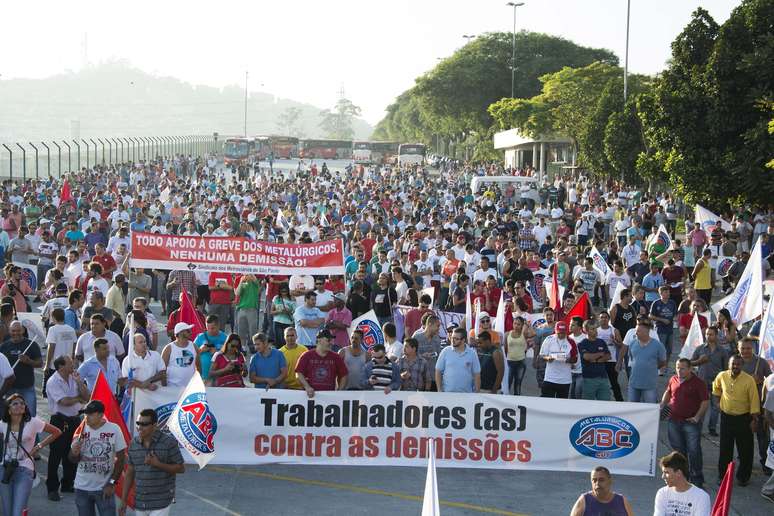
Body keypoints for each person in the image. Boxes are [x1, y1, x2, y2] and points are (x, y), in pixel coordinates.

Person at [0, 393, 62, 515]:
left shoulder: (33, 422)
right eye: (15, 403)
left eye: (22, 403)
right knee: (7, 512)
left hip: (25, 469)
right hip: (5, 468)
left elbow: (57, 432)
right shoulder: (3, 424)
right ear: (9, 409)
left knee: (17, 513)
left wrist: (37, 447)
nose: (20, 405)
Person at [120, 408, 185, 516]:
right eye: (138, 423)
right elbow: (130, 473)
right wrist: (123, 500)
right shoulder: (133, 444)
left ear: (155, 425)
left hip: (161, 502)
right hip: (140, 502)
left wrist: (157, 464)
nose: (140, 427)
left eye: (144, 424)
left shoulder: (168, 443)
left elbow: (181, 468)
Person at [69, 400, 127, 516]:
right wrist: (74, 453)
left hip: (104, 489)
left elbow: (121, 460)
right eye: (85, 414)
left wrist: (111, 483)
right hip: (81, 488)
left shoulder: (114, 429)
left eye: (90, 414)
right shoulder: (81, 430)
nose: (86, 417)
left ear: (100, 415)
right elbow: (72, 459)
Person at [45, 355, 90, 501]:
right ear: (61, 367)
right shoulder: (53, 381)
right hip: (59, 420)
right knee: (56, 455)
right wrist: (78, 399)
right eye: (70, 363)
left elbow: (87, 397)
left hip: (75, 419)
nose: (74, 365)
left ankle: (68, 483)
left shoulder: (74, 377)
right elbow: (64, 401)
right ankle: (52, 488)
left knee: (72, 452)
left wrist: (79, 383)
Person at [660, 358, 709, 488]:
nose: (679, 370)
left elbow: (705, 402)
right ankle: (682, 479)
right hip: (674, 421)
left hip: (690, 422)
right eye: (677, 367)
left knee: (694, 452)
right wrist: (662, 404)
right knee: (678, 452)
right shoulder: (673, 379)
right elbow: (668, 392)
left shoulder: (699, 383)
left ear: (690, 369)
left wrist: (697, 417)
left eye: (682, 368)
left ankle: (697, 479)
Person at [713, 354, 760, 486]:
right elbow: (716, 388)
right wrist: (718, 403)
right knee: (725, 450)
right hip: (726, 418)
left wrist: (754, 419)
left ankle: (743, 477)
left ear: (742, 365)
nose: (735, 366)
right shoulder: (722, 376)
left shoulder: (749, 380)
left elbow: (754, 400)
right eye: (733, 364)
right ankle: (723, 476)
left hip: (744, 419)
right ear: (729, 364)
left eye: (738, 364)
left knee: (745, 450)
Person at [737, 336, 773, 474]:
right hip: (741, 405)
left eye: (748, 348)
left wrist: (761, 380)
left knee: (762, 438)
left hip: (758, 405)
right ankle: (744, 461)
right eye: (743, 348)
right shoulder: (736, 362)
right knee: (743, 437)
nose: (745, 351)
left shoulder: (761, 363)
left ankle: (765, 462)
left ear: (752, 348)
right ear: (738, 349)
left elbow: (770, 381)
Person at [690, 325, 729, 436]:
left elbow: (726, 368)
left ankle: (712, 428)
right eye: (707, 334)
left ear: (716, 335)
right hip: (702, 381)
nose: (708, 336)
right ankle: (698, 427)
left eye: (711, 334)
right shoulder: (700, 348)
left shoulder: (722, 351)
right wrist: (699, 361)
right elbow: (690, 363)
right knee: (701, 406)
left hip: (716, 382)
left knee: (715, 407)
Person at [0, 321, 43, 416]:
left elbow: (40, 363)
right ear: (9, 331)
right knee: (8, 416)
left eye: (18, 330)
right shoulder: (4, 346)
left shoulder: (32, 345)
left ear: (23, 330)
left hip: (27, 387)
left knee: (30, 415)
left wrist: (29, 361)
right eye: (13, 331)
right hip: (9, 388)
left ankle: (31, 431)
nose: (16, 333)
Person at [622, 318, 666, 403]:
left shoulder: (658, 345)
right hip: (633, 383)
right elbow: (632, 359)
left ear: (646, 332)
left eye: (638, 331)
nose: (635, 333)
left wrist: (651, 367)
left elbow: (663, 362)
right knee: (632, 407)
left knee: (649, 408)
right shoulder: (633, 343)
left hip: (649, 384)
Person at [653, 451, 711, 516]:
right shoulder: (662, 493)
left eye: (666, 472)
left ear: (678, 473)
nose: (663, 476)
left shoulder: (702, 497)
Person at [295, 329, 349, 397]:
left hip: (330, 398)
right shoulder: (306, 356)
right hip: (310, 397)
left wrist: (339, 391)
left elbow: (344, 375)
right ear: (319, 340)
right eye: (328, 340)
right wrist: (307, 387)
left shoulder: (336, 357)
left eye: (332, 340)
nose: (331, 343)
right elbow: (298, 373)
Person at [569, 466, 634, 516]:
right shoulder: (584, 501)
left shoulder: (622, 501)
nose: (597, 483)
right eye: (594, 480)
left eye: (601, 480)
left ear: (610, 481)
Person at [435, 327, 481, 393]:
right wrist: (439, 390)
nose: (452, 340)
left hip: (466, 395)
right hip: (447, 394)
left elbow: (477, 374)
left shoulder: (472, 353)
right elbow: (438, 371)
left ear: (463, 340)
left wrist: (477, 392)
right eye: (452, 337)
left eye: (456, 339)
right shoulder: (445, 351)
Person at [540, 321, 577, 398]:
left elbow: (575, 359)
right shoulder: (549, 339)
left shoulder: (571, 342)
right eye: (559, 333)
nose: (561, 335)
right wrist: (548, 358)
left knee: (562, 405)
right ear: (555, 331)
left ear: (566, 332)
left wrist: (567, 360)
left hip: (565, 380)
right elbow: (541, 356)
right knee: (546, 402)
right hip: (550, 378)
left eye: (563, 333)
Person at [578, 321, 612, 401]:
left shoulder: (601, 341)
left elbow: (608, 356)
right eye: (592, 329)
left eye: (596, 328)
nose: (595, 331)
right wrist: (600, 354)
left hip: (603, 378)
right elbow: (587, 357)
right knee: (588, 405)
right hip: (589, 379)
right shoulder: (583, 343)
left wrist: (595, 360)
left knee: (605, 403)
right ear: (585, 330)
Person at [161, 322, 200, 388]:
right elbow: (162, 370)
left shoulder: (194, 346)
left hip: (190, 388)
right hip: (172, 387)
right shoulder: (168, 348)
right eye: (188, 331)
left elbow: (198, 367)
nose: (191, 332)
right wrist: (165, 387)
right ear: (181, 333)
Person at [193, 314, 227, 383]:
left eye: (212, 328)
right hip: (203, 376)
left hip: (220, 376)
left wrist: (218, 352)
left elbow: (231, 355)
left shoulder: (225, 338)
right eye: (208, 328)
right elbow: (190, 353)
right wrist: (200, 350)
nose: (210, 331)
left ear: (218, 326)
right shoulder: (200, 337)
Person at [270, 283, 296, 347]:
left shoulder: (292, 299)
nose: (283, 293)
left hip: (288, 323)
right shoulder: (276, 298)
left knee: (287, 342)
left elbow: (294, 312)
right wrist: (279, 311)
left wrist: (288, 311)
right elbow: (271, 312)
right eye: (282, 291)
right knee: (278, 342)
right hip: (277, 322)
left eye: (285, 291)